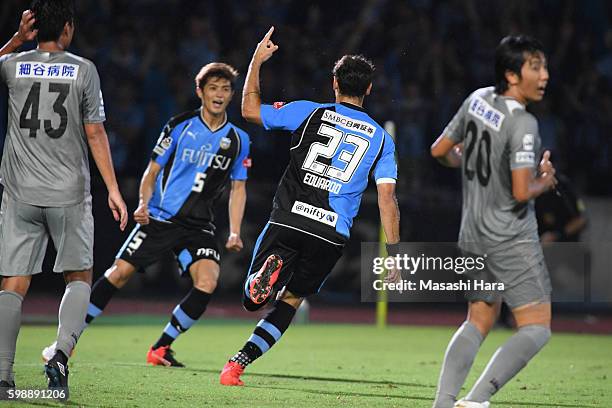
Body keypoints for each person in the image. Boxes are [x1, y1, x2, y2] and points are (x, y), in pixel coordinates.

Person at [219, 27, 400, 386]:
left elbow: (249, 110)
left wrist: (256, 60)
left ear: (334, 83)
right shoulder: (381, 139)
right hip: (330, 233)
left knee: (251, 301)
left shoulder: (307, 112)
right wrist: (393, 253)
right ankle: (237, 364)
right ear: (369, 89)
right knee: (291, 301)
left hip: (288, 218)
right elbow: (387, 199)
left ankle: (260, 281)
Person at [42, 62, 251, 368]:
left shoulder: (240, 140)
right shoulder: (179, 126)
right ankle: (67, 342)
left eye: (225, 88)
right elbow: (151, 172)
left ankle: (161, 347)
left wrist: (234, 231)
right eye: (212, 88)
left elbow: (238, 189)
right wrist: (142, 203)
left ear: (232, 94)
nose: (219, 94)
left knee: (207, 281)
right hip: (161, 218)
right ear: (200, 92)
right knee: (118, 274)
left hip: (198, 225)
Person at [0, 1, 128, 400]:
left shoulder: (14, 64)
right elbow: (95, 134)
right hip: (69, 192)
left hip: (20, 190)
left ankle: (3, 378)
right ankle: (61, 354)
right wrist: (113, 188)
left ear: (35, 27)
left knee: (13, 283)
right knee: (79, 276)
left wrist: (18, 40)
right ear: (68, 28)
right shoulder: (83, 69)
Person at [430, 35, 557, 408]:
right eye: (536, 67)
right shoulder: (524, 123)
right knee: (537, 327)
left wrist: (465, 160)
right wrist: (544, 181)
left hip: (472, 232)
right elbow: (521, 191)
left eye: (544, 66)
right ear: (512, 75)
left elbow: (439, 151)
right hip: (510, 236)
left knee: (479, 320)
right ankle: (477, 400)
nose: (545, 75)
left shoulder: (477, 99)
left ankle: (443, 404)